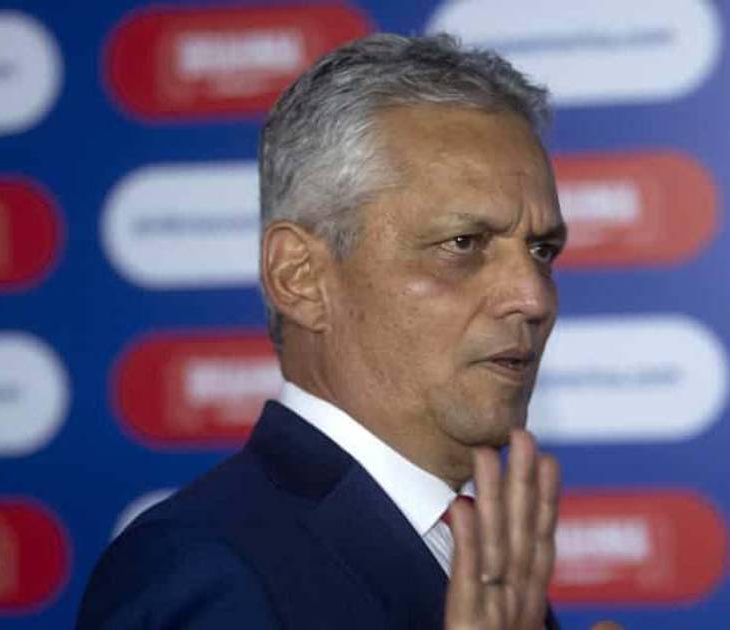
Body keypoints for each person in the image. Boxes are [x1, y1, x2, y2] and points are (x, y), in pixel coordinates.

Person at [78, 33, 567, 629]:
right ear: (300, 277)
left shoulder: (479, 553)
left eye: (542, 251)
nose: (532, 297)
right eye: (462, 244)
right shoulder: (204, 569)